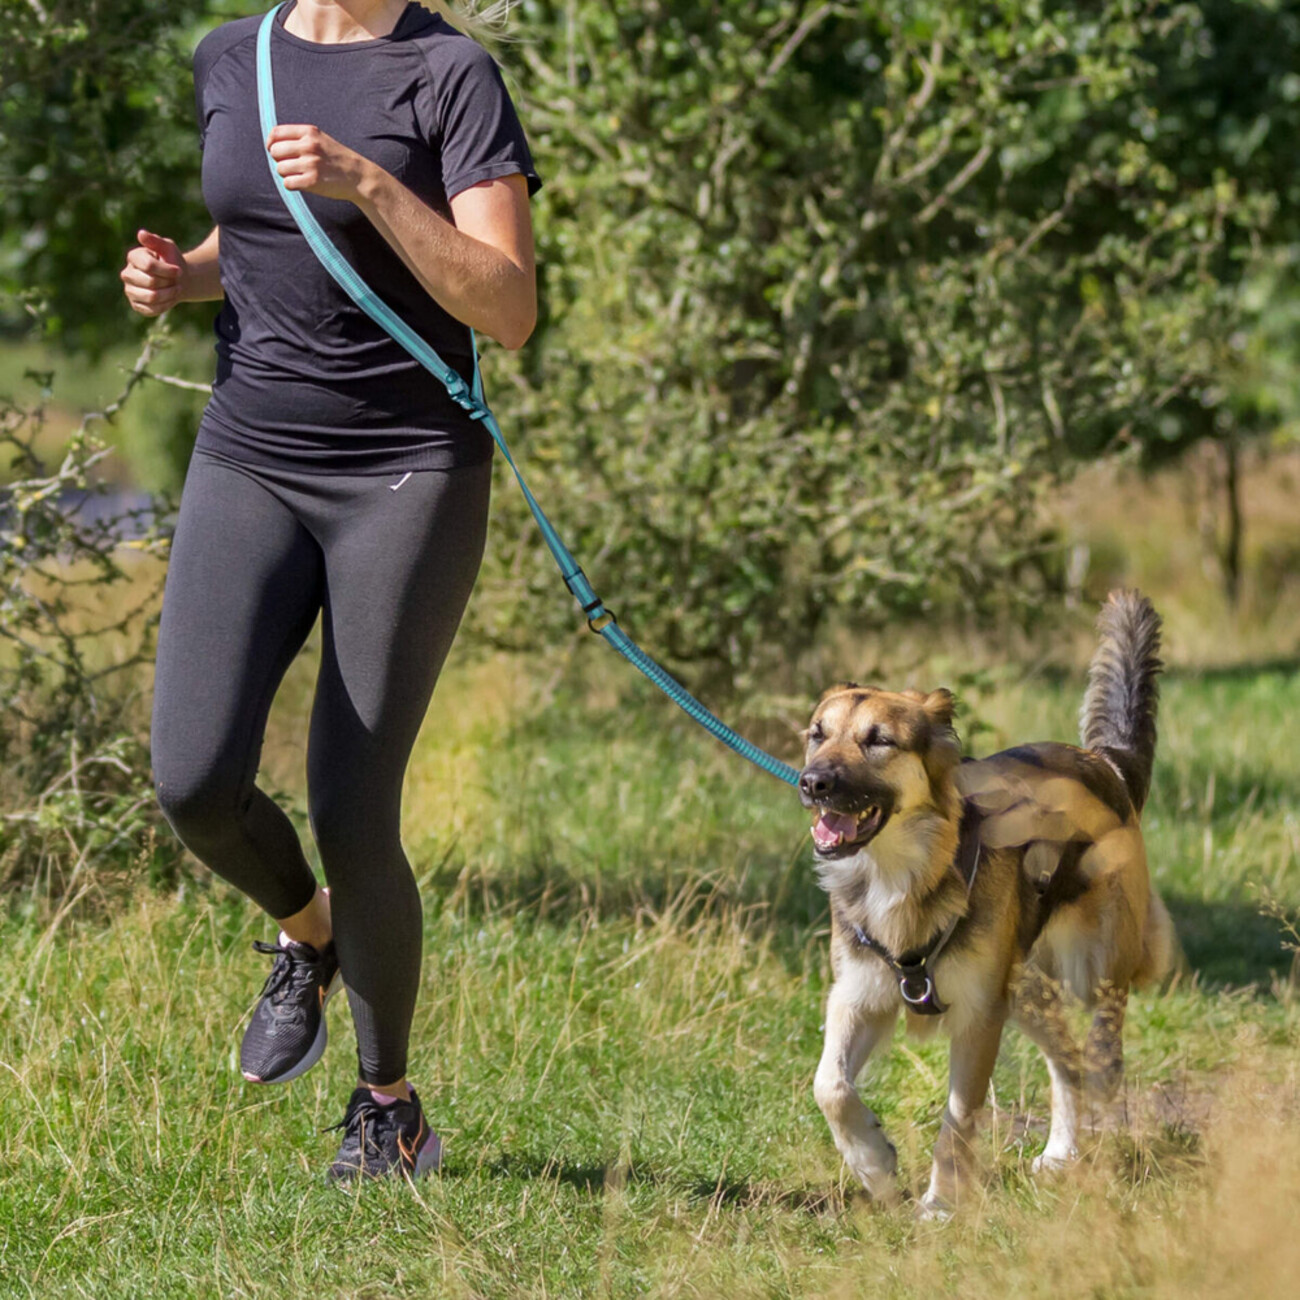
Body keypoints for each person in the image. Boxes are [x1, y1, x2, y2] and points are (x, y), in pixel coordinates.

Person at [119, 0, 539, 1182]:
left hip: (404, 470)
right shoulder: (231, 55)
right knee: (192, 780)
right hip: (249, 453)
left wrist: (371, 182)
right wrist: (180, 277)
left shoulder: (448, 73)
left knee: (353, 809)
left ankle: (389, 1106)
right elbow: (259, 237)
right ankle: (309, 935)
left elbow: (507, 307)